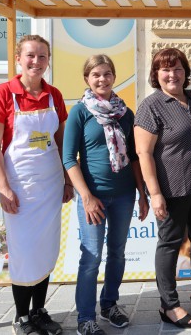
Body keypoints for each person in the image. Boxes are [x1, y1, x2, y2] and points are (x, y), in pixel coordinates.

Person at [0, 35, 72, 335]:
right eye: (30, 56)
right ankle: (21, 317)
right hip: (19, 188)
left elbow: (61, 142)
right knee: (23, 252)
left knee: (45, 249)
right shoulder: (2, 94)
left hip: (49, 185)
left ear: (48, 60)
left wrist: (68, 180)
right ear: (18, 58)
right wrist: (3, 186)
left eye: (42, 56)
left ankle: (39, 311)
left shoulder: (54, 95)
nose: (36, 62)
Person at [63, 55, 149, 335]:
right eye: (96, 75)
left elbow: (135, 156)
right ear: (87, 79)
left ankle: (109, 304)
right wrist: (86, 196)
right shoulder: (80, 112)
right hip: (94, 197)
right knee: (90, 258)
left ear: (114, 76)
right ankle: (85, 318)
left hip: (123, 195)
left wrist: (143, 194)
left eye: (107, 74)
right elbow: (68, 159)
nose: (102, 79)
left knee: (118, 253)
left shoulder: (125, 112)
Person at [135, 48, 191, 328]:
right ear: (156, 74)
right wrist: (155, 193)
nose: (172, 75)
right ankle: (169, 305)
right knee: (170, 244)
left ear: (185, 73)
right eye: (165, 70)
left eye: (178, 69)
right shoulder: (151, 106)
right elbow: (144, 154)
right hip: (171, 188)